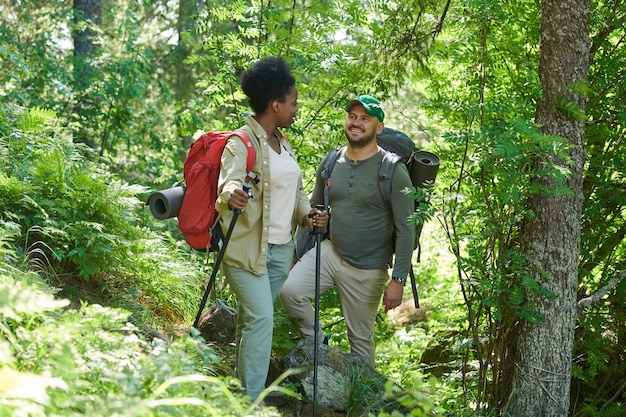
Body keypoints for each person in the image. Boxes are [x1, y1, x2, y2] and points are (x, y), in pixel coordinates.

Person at [215, 56, 327, 401]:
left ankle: (238, 391)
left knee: (253, 319)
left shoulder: (284, 143)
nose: (296, 109)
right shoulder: (241, 142)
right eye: (292, 103)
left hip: (280, 252)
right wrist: (231, 194)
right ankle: (251, 402)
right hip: (244, 252)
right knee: (261, 318)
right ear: (275, 105)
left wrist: (307, 215)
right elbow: (228, 184)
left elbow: (296, 195)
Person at [279, 95, 415, 367]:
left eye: (365, 118)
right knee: (290, 291)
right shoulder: (332, 162)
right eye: (353, 117)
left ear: (379, 127)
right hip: (331, 252)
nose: (356, 123)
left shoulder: (393, 170)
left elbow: (406, 229)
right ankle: (317, 346)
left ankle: (363, 403)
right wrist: (298, 254)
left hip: (368, 267)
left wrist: (398, 280)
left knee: (360, 341)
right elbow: (315, 209)